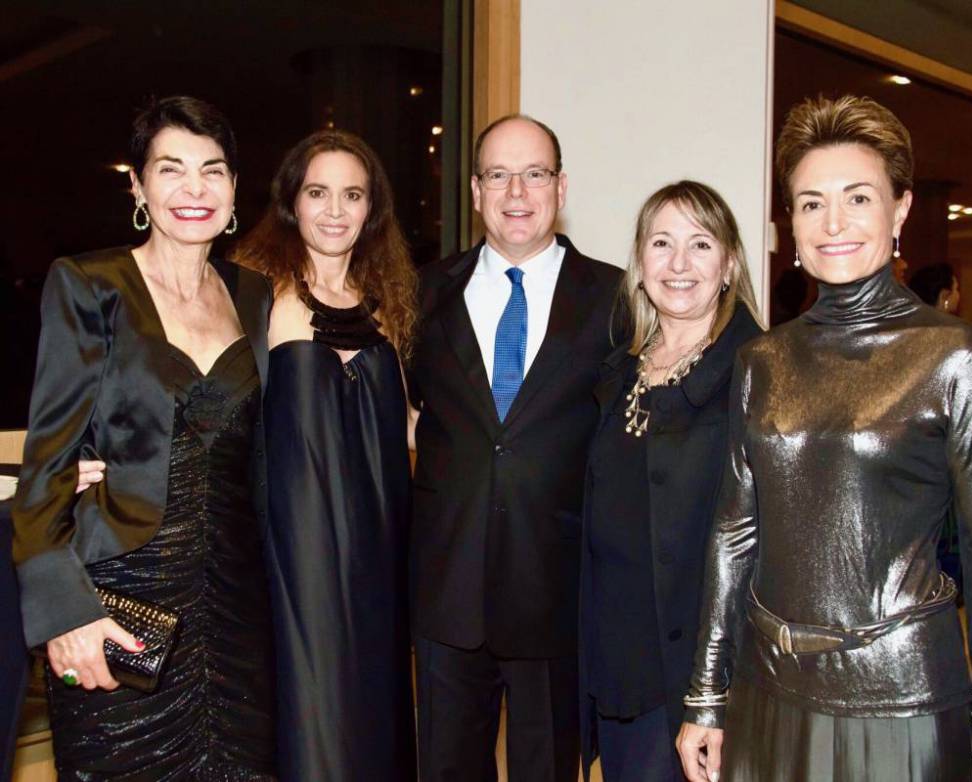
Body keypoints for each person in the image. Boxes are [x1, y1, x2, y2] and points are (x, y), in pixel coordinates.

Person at [678, 95, 972, 782]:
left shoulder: (956, 357)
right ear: (791, 224)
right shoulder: (763, 360)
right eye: (810, 203)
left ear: (900, 210)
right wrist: (707, 694)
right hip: (769, 689)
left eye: (857, 197)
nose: (832, 223)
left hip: (900, 704)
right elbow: (734, 533)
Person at [12, 96, 276, 780]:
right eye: (171, 169)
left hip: (240, 616)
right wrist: (63, 614)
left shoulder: (261, 297)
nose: (195, 189)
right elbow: (48, 467)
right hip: (120, 607)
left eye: (213, 171)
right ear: (137, 185)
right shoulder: (90, 285)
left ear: (235, 188)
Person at [408, 114, 622, 782]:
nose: (516, 192)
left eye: (534, 173)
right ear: (475, 191)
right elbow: (408, 415)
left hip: (555, 592)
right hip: (447, 593)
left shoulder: (617, 298)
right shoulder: (423, 293)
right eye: (498, 175)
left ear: (561, 187)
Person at [232, 130, 418, 781]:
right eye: (318, 192)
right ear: (291, 202)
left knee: (375, 720)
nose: (335, 210)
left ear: (373, 210)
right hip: (296, 563)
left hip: (379, 557)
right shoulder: (257, 298)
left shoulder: (387, 312)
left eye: (352, 194)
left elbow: (402, 439)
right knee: (314, 725)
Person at [579, 181, 762, 782]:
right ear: (639, 263)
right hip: (618, 665)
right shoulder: (619, 368)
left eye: (700, 244)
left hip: (695, 676)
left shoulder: (756, 373)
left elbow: (764, 551)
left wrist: (714, 693)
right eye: (662, 243)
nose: (679, 264)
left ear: (729, 263)